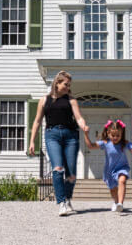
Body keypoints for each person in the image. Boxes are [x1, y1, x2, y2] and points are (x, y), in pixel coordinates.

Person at [28, 70, 89, 216]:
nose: (68, 87)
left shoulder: (71, 100)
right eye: (66, 84)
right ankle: (61, 203)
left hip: (71, 137)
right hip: (52, 135)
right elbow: (37, 121)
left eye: (69, 85)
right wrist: (32, 141)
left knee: (71, 174)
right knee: (58, 168)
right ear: (57, 83)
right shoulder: (44, 100)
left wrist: (84, 125)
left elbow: (79, 118)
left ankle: (68, 199)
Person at [82, 119, 132, 213]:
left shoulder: (125, 143)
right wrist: (86, 134)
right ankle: (116, 202)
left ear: (122, 134)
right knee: (113, 189)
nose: (115, 137)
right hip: (109, 171)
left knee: (122, 181)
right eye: (113, 135)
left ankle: (120, 204)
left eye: (118, 135)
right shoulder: (105, 143)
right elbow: (90, 146)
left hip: (122, 168)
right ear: (108, 133)